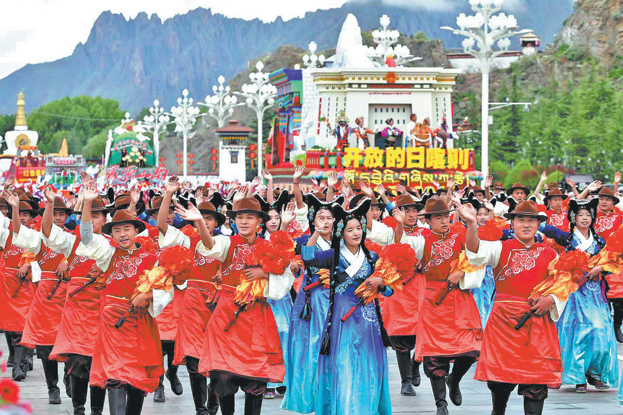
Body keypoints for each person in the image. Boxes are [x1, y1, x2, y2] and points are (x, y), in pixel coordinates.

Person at [179, 196, 294, 415]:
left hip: (257, 318)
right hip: (225, 318)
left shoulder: (268, 247)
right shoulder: (227, 242)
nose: (243, 221)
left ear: (259, 221)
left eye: (249, 217)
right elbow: (209, 245)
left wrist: (265, 273)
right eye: (240, 217)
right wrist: (200, 222)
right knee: (223, 376)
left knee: (255, 378)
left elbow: (284, 277)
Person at [460, 200, 568, 415]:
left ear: (538, 225)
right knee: (500, 381)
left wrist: (551, 299)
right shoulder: (500, 247)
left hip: (537, 322)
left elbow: (562, 284)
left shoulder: (550, 254)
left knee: (536, 383)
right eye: (521, 220)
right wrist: (472, 224)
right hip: (504, 324)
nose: (526, 225)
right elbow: (475, 250)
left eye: (531, 221)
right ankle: (498, 410)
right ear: (512, 224)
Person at [77, 184, 173, 415]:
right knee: (115, 376)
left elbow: (167, 290)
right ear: (111, 235)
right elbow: (87, 237)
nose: (122, 234)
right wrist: (87, 203)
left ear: (136, 231)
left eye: (127, 229)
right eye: (117, 230)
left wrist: (147, 295)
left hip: (141, 323)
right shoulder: (107, 253)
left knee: (136, 380)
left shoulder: (151, 258)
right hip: (112, 323)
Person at [301, 198, 393, 415]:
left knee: (368, 367)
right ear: (341, 233)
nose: (356, 233)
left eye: (359, 228)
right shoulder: (333, 255)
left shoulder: (372, 257)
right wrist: (317, 232)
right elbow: (307, 257)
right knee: (343, 366)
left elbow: (390, 290)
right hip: (341, 321)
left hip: (368, 322)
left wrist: (381, 282)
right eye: (350, 230)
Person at [394, 198, 483, 415]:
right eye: (438, 218)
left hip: (460, 299)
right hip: (433, 301)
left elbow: (476, 254)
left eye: (446, 217)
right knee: (435, 355)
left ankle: (455, 379)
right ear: (429, 221)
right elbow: (401, 247)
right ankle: (441, 405)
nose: (444, 221)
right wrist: (399, 224)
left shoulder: (459, 235)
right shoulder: (422, 239)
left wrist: (461, 271)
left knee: (471, 350)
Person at [40, 184, 109, 415]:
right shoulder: (73, 242)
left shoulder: (113, 245)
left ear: (105, 219)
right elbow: (47, 231)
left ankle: (97, 411)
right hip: (76, 313)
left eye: (96, 216)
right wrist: (50, 203)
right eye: (88, 216)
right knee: (77, 361)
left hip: (102, 312)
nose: (90, 220)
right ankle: (78, 409)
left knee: (98, 364)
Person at [538, 198, 618, 392]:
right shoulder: (567, 238)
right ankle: (578, 375)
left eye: (588, 215)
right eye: (580, 215)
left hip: (595, 294)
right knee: (577, 333)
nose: (584, 218)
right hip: (573, 292)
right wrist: (532, 219)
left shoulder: (600, 241)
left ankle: (595, 373)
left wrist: (600, 268)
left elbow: (612, 261)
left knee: (600, 331)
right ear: (573, 217)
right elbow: (548, 229)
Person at [157, 176, 221, 415]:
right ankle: (200, 408)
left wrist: (224, 276)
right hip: (192, 302)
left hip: (218, 304)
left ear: (216, 222)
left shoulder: (225, 242)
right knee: (194, 358)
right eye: (201, 217)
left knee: (215, 355)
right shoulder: (186, 239)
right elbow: (162, 226)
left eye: (209, 218)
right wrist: (168, 193)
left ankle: (214, 394)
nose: (205, 221)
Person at [7, 189, 73, 405]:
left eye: (61, 214)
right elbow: (17, 230)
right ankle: (52, 387)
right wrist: (15, 208)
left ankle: (70, 377)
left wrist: (68, 261)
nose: (57, 218)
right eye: (54, 213)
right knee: (45, 344)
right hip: (46, 296)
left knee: (70, 342)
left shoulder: (75, 238)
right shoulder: (38, 238)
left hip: (70, 296)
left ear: (67, 216)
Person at [366, 191, 428, 397]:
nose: (411, 214)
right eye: (406, 210)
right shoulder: (388, 230)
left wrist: (425, 261)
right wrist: (370, 199)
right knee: (400, 334)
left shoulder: (426, 231)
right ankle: (406, 381)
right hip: (398, 287)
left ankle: (416, 363)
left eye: (414, 210)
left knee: (422, 331)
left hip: (420, 286)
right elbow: (370, 227)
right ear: (397, 212)